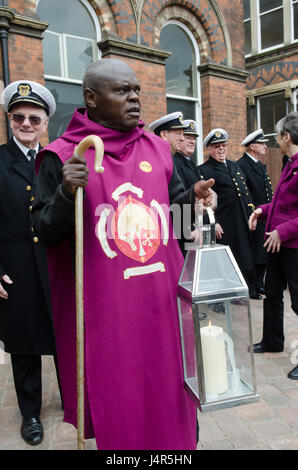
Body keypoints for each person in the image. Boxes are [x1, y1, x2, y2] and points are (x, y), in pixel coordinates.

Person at [31, 58, 217, 450]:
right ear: (91, 98)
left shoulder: (157, 148)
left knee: (173, 400)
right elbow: (45, 234)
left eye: (137, 90)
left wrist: (192, 202)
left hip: (163, 307)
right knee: (124, 407)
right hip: (108, 317)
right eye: (122, 91)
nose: (134, 98)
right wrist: (66, 194)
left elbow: (171, 222)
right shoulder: (63, 155)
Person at [0, 80, 58, 445]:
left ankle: (75, 402)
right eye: (19, 117)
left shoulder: (56, 161)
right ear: (9, 119)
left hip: (54, 268)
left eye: (34, 119)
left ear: (45, 123)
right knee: (23, 344)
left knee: (65, 336)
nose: (26, 124)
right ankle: (31, 414)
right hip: (14, 270)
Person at [249, 112, 298, 381]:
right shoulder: (290, 163)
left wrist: (282, 230)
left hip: (293, 245)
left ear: (286, 137)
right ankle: (272, 340)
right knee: (272, 293)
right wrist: (261, 210)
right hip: (277, 243)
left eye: (277, 135)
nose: (275, 140)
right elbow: (282, 205)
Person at [198, 129, 257, 299]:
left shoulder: (234, 165)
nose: (221, 149)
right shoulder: (204, 170)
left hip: (242, 218)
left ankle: (246, 288)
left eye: (223, 145)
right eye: (217, 147)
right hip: (225, 222)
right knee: (230, 258)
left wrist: (252, 214)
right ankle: (231, 292)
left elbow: (245, 193)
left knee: (246, 254)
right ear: (209, 149)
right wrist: (213, 222)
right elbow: (204, 201)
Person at [238, 129, 273, 297]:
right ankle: (251, 286)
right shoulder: (242, 165)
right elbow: (245, 194)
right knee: (254, 252)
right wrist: (252, 213)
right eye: (262, 143)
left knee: (263, 252)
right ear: (252, 146)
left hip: (264, 214)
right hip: (253, 215)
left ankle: (259, 283)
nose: (265, 146)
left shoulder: (259, 163)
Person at [173, 119, 205, 189]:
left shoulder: (190, 163)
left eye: (194, 139)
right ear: (180, 139)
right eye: (188, 138)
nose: (192, 142)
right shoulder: (174, 162)